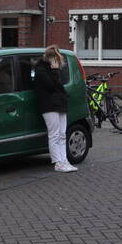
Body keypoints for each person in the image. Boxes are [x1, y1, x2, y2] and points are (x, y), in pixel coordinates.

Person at [33, 45, 77, 173]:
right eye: (57, 59)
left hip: (59, 104)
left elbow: (58, 86)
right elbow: (52, 86)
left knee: (62, 134)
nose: (58, 62)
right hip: (49, 105)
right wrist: (55, 71)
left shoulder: (51, 70)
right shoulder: (41, 71)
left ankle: (64, 160)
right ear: (51, 59)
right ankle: (58, 163)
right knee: (54, 134)